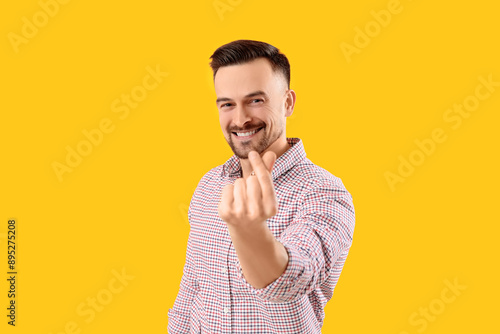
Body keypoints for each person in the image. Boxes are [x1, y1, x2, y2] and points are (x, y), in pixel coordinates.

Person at [168, 39, 355, 333]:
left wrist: (250, 232)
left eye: (255, 100)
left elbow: (293, 282)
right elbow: (192, 289)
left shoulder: (323, 192)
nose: (240, 119)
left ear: (288, 102)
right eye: (228, 104)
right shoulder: (208, 186)